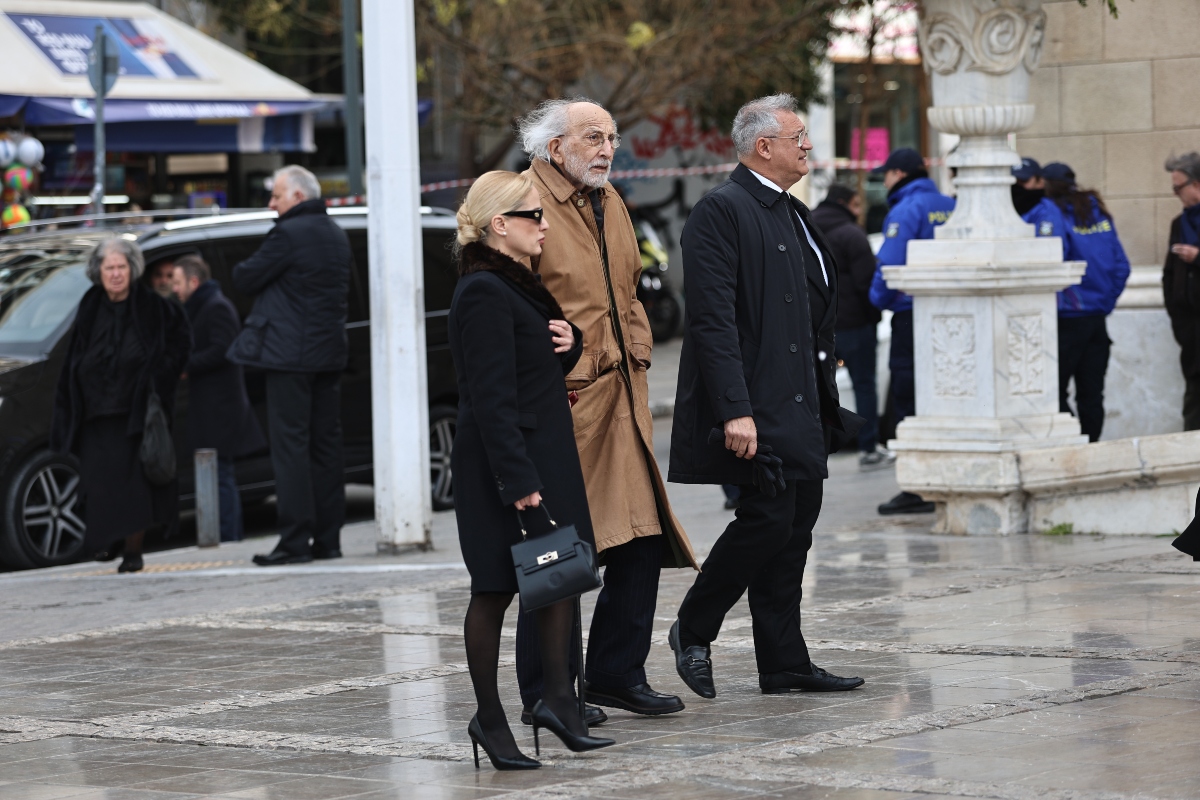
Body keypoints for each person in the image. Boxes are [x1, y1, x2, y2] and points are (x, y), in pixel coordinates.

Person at [668, 93, 863, 699]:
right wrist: (735, 410)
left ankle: (783, 662)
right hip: (756, 404)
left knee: (796, 527)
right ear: (764, 146)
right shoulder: (721, 212)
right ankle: (692, 627)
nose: (807, 145)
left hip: (803, 401)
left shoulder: (793, 211)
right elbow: (713, 322)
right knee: (767, 519)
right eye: (798, 135)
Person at [514, 98, 696, 722]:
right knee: (557, 553)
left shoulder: (610, 199)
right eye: (592, 136)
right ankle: (546, 690)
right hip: (566, 403)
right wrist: (563, 360)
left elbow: (630, 292)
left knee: (641, 541)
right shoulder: (522, 201)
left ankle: (618, 673)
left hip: (623, 397)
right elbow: (503, 302)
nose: (606, 147)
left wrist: (638, 352)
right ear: (553, 146)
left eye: (612, 136)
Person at [450, 170, 614, 770]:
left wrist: (566, 342)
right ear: (500, 225)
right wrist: (517, 483)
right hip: (506, 464)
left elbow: (532, 360)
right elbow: (488, 397)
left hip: (541, 452)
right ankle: (489, 720)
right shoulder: (483, 291)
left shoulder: (514, 285)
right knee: (494, 589)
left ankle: (559, 704)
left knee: (557, 580)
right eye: (534, 216)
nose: (545, 225)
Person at [227, 165, 350, 566]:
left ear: (298, 197)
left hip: (290, 357)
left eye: (276, 197)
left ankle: (295, 540)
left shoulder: (288, 234)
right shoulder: (335, 233)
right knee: (325, 448)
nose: (271, 204)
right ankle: (328, 539)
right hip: (329, 354)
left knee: (291, 449)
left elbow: (245, 277)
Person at [50, 238, 192, 573]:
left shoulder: (151, 305)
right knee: (101, 484)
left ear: (132, 270)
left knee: (133, 486)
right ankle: (109, 540)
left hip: (135, 412)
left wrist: (162, 375)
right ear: (98, 272)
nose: (116, 274)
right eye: (109, 267)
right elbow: (74, 354)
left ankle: (133, 551)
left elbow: (180, 339)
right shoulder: (90, 304)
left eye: (121, 267)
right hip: (96, 412)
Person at [868, 147, 956, 515]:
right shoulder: (949, 205)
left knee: (908, 401)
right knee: (946, 400)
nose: (884, 180)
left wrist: (878, 299)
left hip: (911, 316)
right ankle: (949, 479)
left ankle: (917, 488)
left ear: (899, 174)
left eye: (886, 174)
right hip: (951, 317)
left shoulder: (906, 210)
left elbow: (889, 264)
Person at [1024, 162, 1130, 442]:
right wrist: (1104, 303)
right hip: (1095, 319)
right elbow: (1122, 266)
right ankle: (1090, 449)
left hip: (1066, 319)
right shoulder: (1097, 212)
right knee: (1092, 394)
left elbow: (1046, 262)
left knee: (1052, 393)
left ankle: (1075, 447)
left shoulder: (1047, 211)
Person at [173, 254, 266, 542]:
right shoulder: (202, 306)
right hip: (211, 406)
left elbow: (223, 349)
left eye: (176, 281)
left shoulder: (215, 308)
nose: (173, 288)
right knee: (215, 473)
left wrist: (186, 365)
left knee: (221, 475)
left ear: (193, 281)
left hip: (221, 408)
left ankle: (228, 537)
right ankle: (223, 534)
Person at [811, 184, 891, 471]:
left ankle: (815, 449)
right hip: (854, 325)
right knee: (864, 387)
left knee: (816, 390)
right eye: (857, 205)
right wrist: (873, 317)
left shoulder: (803, 228)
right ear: (845, 203)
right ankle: (869, 448)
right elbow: (866, 283)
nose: (860, 212)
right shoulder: (851, 234)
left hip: (815, 328)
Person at [1162, 152, 1200, 431]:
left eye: (1179, 187)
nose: (1176, 194)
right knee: (1195, 393)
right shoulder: (1180, 223)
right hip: (1191, 327)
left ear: (1196, 184)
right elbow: (1168, 273)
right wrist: (1177, 316)